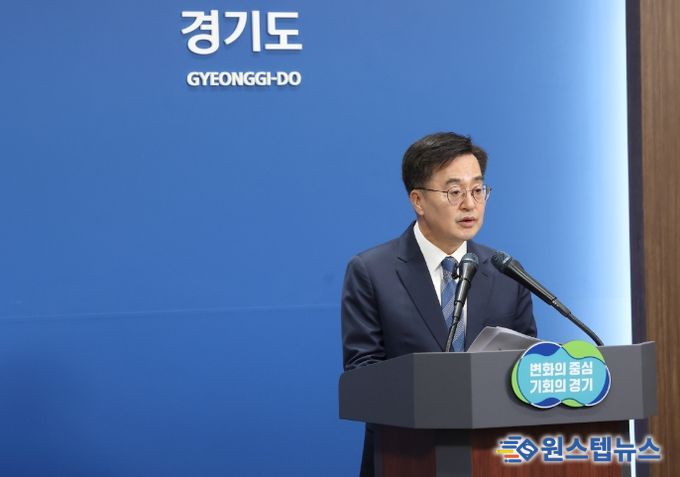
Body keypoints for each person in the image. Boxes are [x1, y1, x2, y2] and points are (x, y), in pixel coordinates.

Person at [340, 131, 537, 476]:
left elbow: (528, 366)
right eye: (454, 192)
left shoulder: (506, 272)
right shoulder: (372, 272)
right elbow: (363, 374)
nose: (470, 204)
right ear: (418, 200)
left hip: (493, 458)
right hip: (406, 457)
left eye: (478, 190)